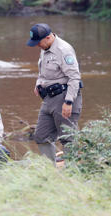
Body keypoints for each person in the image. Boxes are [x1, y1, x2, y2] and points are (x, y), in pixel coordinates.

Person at [27, 23, 82, 163]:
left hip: (64, 97)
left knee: (68, 138)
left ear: (48, 37)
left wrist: (69, 102)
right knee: (41, 135)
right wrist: (38, 83)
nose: (37, 46)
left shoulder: (64, 50)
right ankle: (51, 170)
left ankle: (72, 171)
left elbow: (74, 77)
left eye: (39, 42)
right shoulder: (45, 47)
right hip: (48, 98)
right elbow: (43, 71)